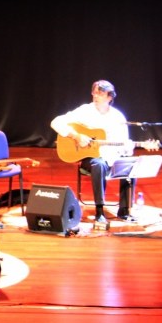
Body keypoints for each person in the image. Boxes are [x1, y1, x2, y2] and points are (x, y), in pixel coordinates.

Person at [50, 79, 135, 224]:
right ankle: (99, 211)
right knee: (99, 164)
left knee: (131, 165)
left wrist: (129, 146)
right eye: (94, 93)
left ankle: (124, 210)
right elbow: (56, 122)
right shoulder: (85, 111)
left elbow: (124, 144)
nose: (95, 97)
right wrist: (75, 135)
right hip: (90, 158)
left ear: (110, 97)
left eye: (100, 94)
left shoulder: (118, 117)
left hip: (112, 157)